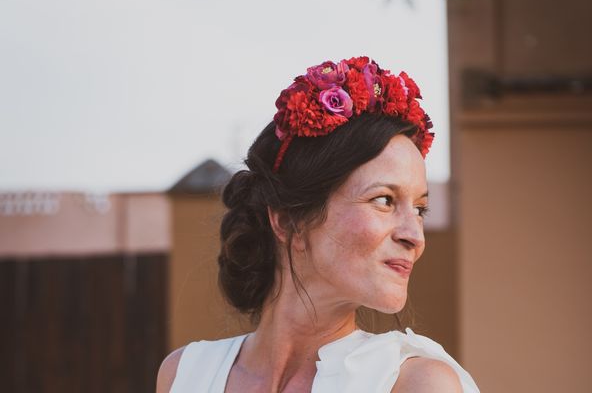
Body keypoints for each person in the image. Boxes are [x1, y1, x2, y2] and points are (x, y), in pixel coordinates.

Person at [157, 56, 480, 392]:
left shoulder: (418, 385)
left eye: (420, 209)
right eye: (384, 200)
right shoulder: (184, 376)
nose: (415, 236)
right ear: (287, 220)